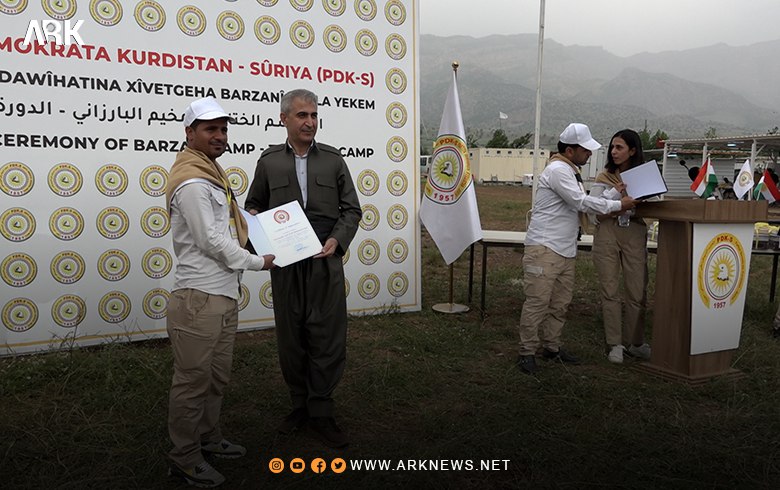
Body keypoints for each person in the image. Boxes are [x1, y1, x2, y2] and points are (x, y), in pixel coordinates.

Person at [165, 97, 274, 487]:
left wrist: (250, 221)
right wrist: (259, 262)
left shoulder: (211, 175)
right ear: (189, 133)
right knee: (192, 382)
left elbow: (222, 226)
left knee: (216, 377)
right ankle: (184, 457)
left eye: (223, 129)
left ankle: (208, 438)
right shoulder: (193, 182)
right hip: (199, 298)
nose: (219, 135)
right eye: (210, 128)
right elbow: (210, 241)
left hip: (222, 294)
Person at [245, 88, 362, 448]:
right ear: (284, 119)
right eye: (302, 115)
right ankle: (299, 405)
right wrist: (256, 226)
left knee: (327, 335)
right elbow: (253, 205)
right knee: (291, 337)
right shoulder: (269, 162)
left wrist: (337, 240)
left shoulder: (333, 160)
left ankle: (322, 410)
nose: (310, 122)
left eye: (313, 115)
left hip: (324, 263)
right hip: (286, 266)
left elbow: (352, 210)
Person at [517, 123, 638, 375]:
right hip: (546, 247)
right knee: (538, 302)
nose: (589, 154)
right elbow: (581, 202)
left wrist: (614, 195)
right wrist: (619, 205)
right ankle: (527, 351)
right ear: (570, 150)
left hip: (562, 248)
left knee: (560, 303)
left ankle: (551, 347)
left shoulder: (570, 171)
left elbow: (582, 202)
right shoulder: (559, 170)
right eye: (585, 150)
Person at [589, 129, 651, 364]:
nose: (614, 152)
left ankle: (635, 342)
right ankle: (614, 343)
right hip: (607, 232)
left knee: (637, 289)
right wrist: (616, 199)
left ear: (632, 151)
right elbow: (593, 210)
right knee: (610, 289)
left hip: (634, 231)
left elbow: (655, 205)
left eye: (619, 147)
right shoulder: (604, 177)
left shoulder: (645, 178)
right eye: (612, 147)